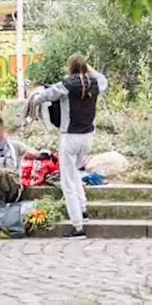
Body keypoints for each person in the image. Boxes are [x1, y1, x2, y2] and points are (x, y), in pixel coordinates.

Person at [34, 53, 107, 238]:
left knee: (67, 182)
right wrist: (88, 67)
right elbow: (103, 78)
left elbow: (43, 97)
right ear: (86, 66)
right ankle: (83, 210)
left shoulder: (66, 85)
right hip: (88, 137)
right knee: (75, 172)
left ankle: (78, 227)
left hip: (70, 137)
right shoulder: (96, 83)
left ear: (70, 67)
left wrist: (34, 95)